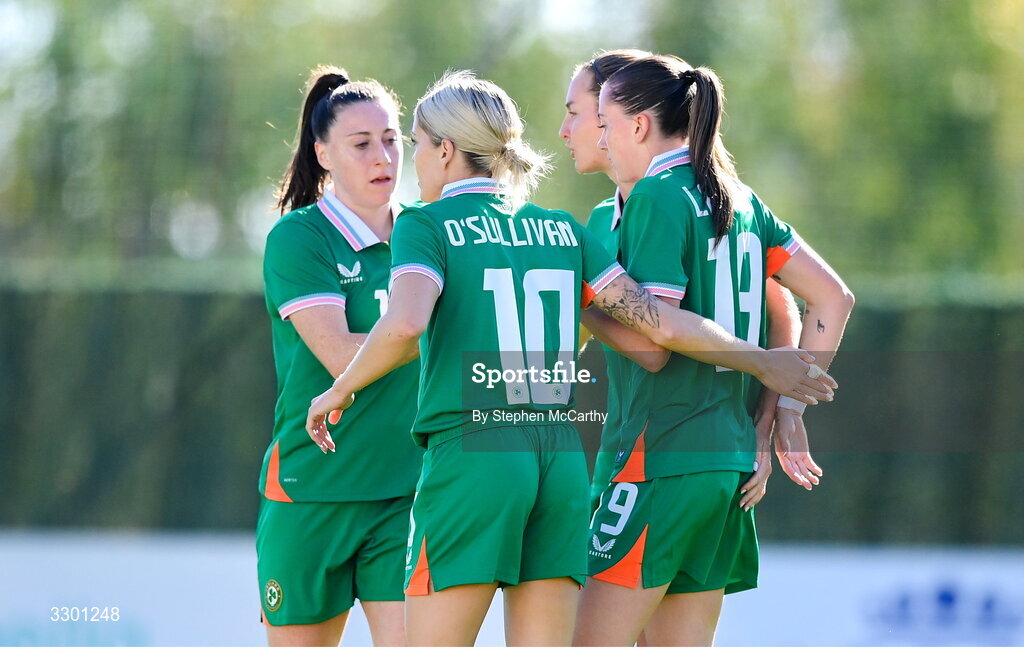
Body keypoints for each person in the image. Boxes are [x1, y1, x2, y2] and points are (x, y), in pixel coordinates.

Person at [305, 71, 836, 646]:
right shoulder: (558, 230)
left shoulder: (424, 223)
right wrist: (758, 362)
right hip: (558, 461)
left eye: (414, 144)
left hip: (475, 451)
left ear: (446, 148)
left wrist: (338, 389)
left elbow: (405, 324)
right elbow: (652, 336)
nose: (413, 161)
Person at [573, 55, 855, 646]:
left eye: (602, 121)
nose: (597, 135)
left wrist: (586, 304)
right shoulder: (739, 196)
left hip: (659, 458)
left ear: (640, 125)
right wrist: (785, 414)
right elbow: (832, 299)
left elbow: (658, 339)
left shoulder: (657, 195)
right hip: (724, 463)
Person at [559, 50, 818, 519]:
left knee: (594, 594)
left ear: (630, 118)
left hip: (661, 457)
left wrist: (771, 417)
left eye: (579, 113)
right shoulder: (606, 218)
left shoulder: (667, 198)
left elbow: (655, 342)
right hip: (696, 455)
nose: (567, 130)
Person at [257, 65, 422, 646]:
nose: (383, 157)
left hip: (406, 494)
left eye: (391, 140)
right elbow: (339, 358)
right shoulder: (299, 238)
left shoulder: (423, 235)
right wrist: (438, 330)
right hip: (313, 490)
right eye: (361, 144)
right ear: (322, 152)